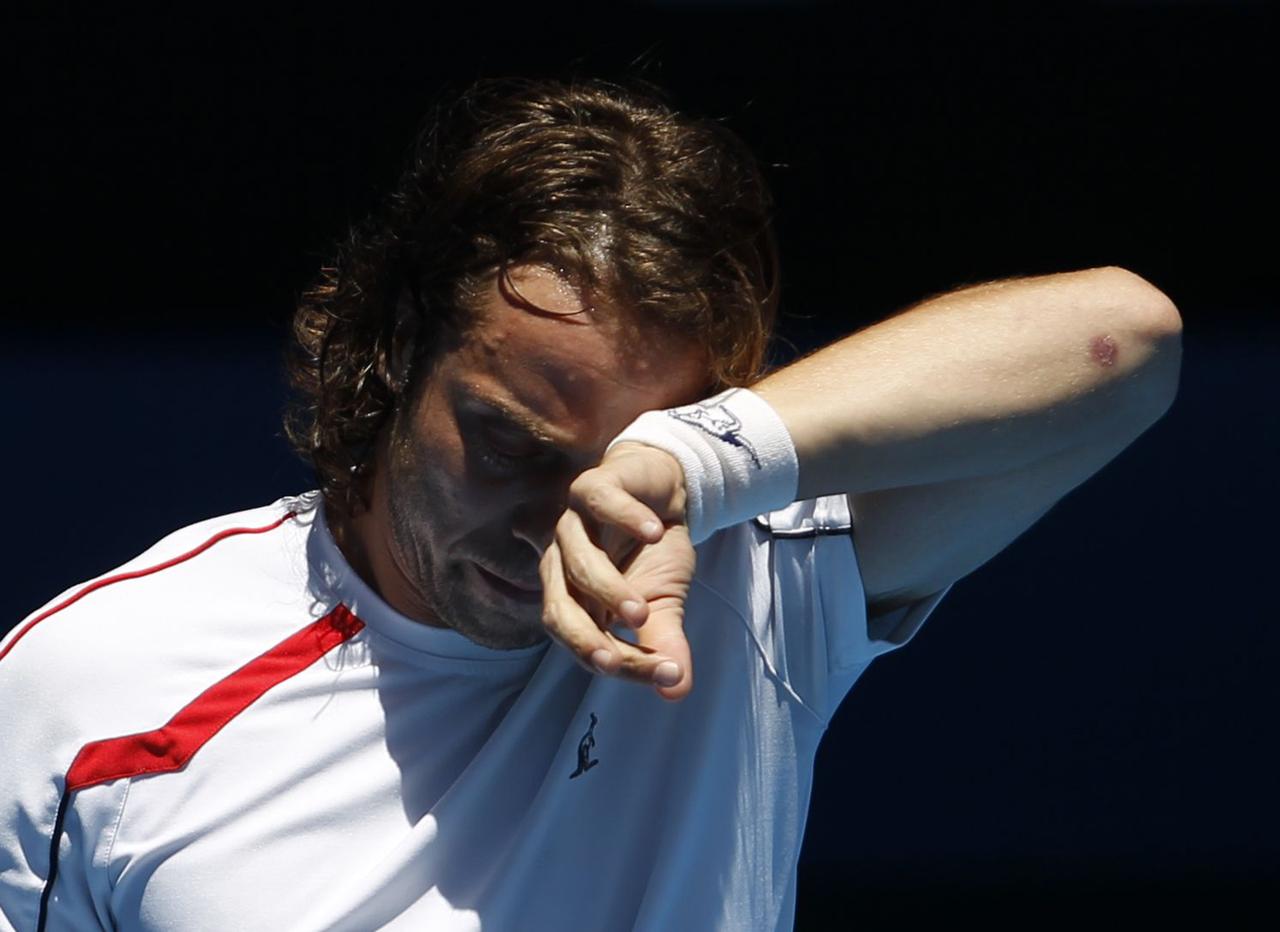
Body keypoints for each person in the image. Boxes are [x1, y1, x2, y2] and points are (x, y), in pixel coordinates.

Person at [0, 77, 1182, 931]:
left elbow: (1124, 340)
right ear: (396, 350)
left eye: (611, 464)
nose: (556, 522)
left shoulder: (742, 564)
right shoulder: (93, 683)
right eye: (507, 442)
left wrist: (687, 466)